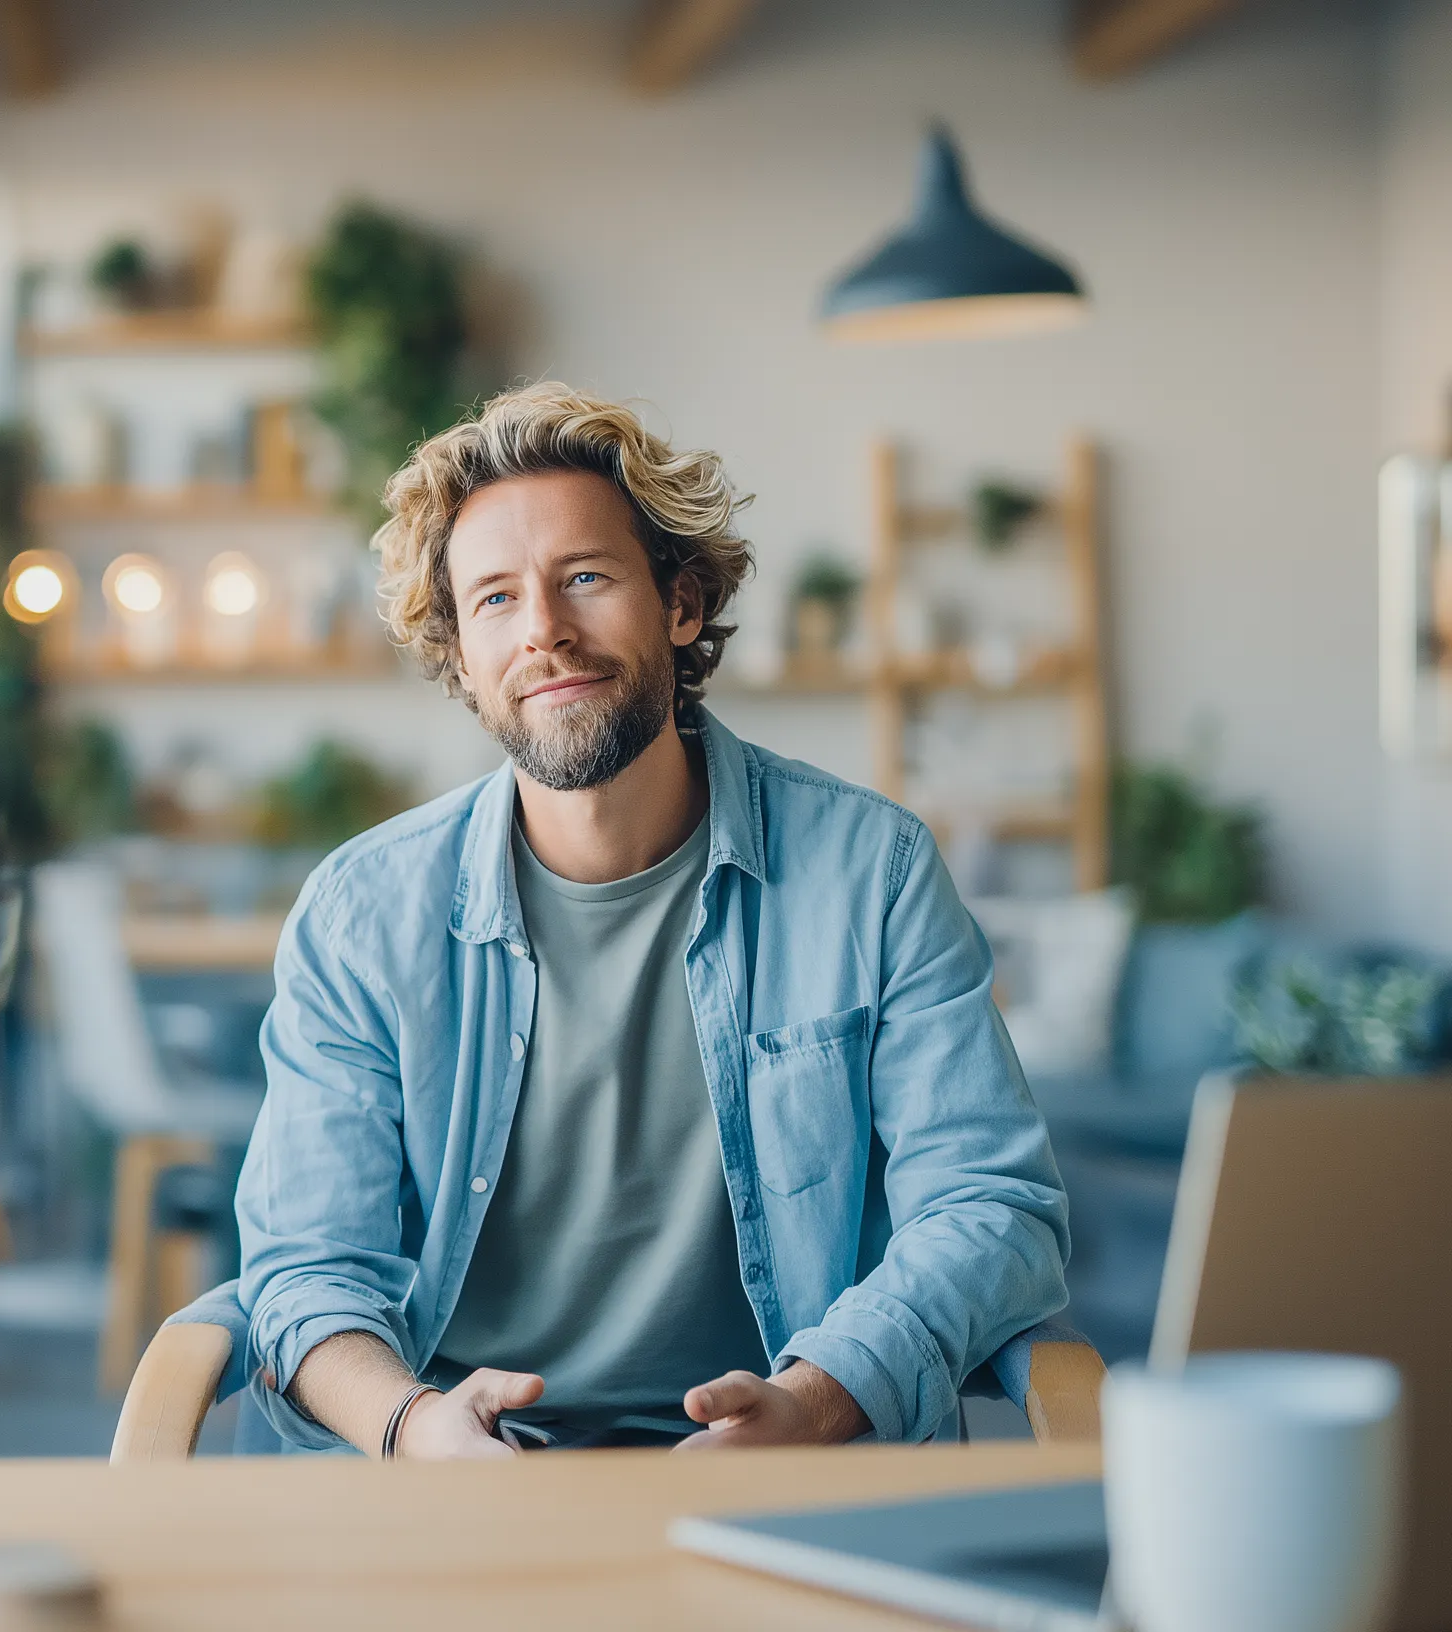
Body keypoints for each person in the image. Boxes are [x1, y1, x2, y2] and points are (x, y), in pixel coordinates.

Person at [235, 383, 1068, 1456]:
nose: (542, 631)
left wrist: (815, 1402)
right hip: (447, 1482)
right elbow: (306, 1265)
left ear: (678, 606)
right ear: (456, 653)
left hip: (782, 1469)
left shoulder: (874, 873)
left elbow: (991, 1206)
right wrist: (410, 1428)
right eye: (493, 599)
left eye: (583, 577)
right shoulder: (360, 917)